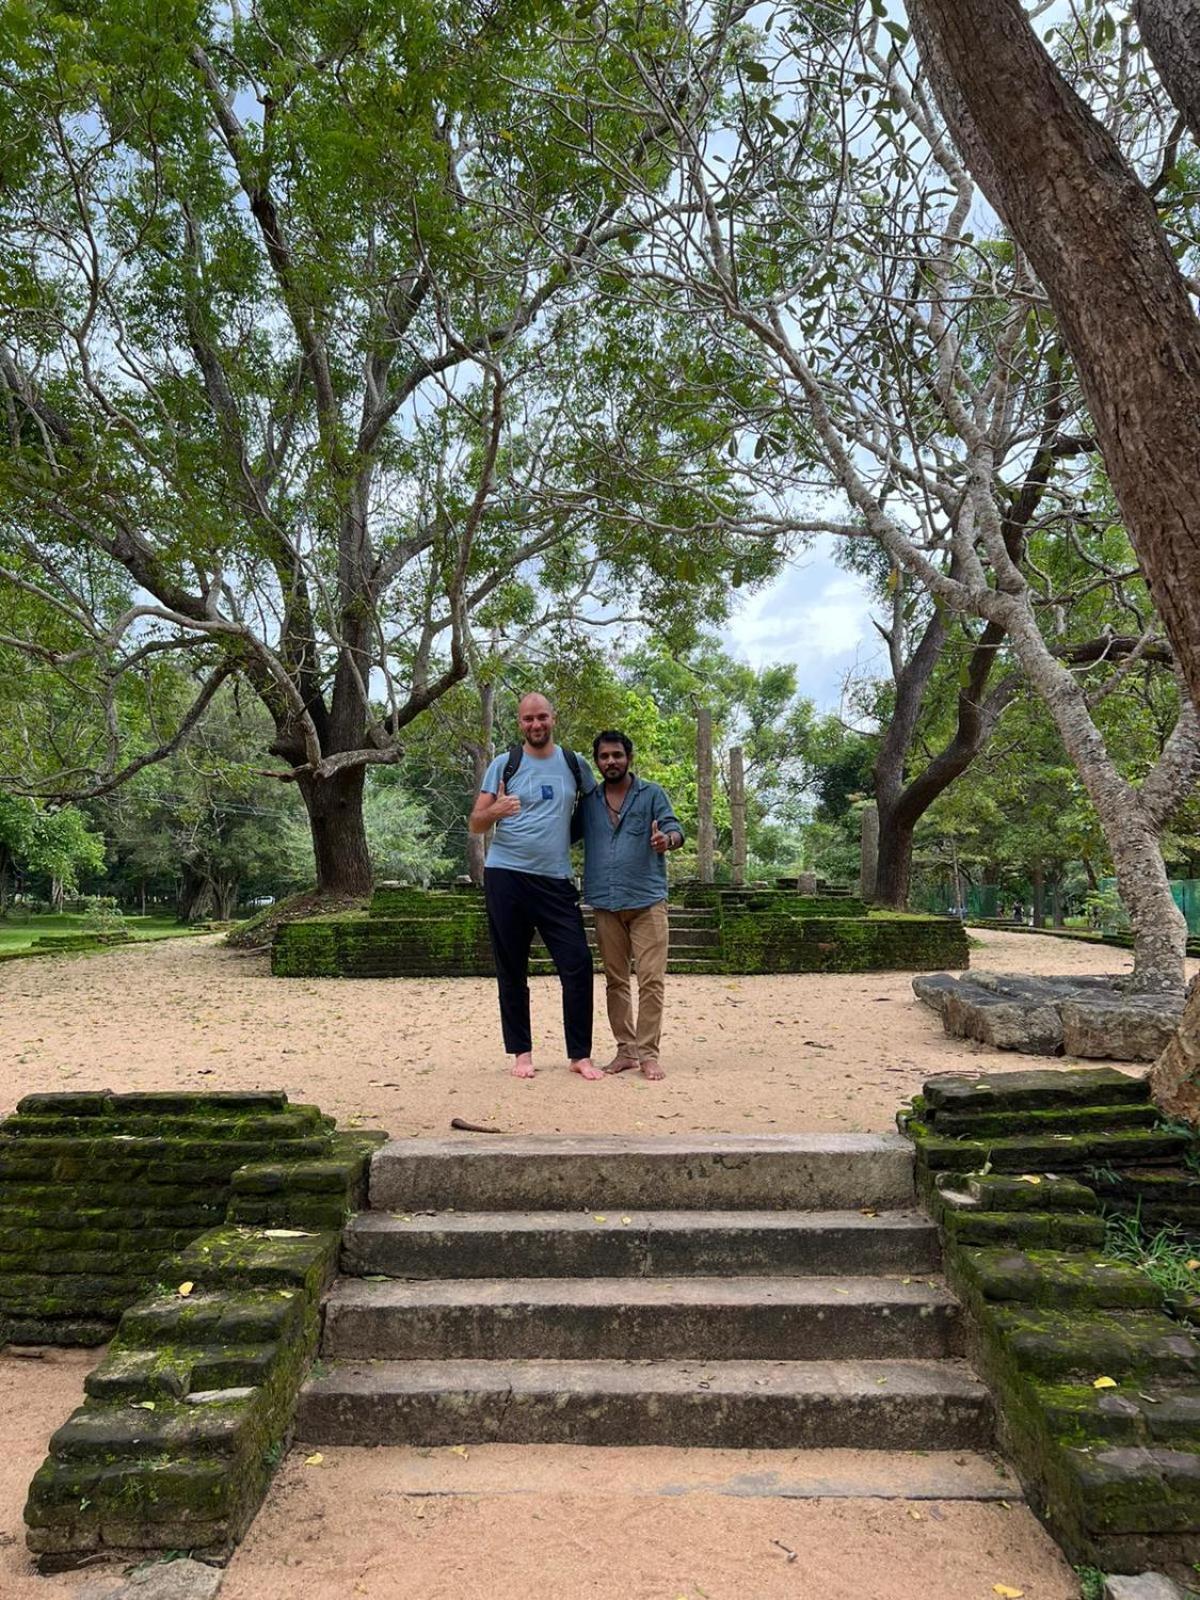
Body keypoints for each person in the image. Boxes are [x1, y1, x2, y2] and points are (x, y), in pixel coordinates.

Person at [468, 692, 602, 1081]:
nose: (535, 725)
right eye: (528, 719)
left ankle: (580, 1054)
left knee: (577, 962)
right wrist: (497, 810)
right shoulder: (504, 765)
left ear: (553, 719)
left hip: (556, 878)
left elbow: (598, 809)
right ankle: (521, 1053)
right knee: (511, 967)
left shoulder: (574, 765)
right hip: (506, 876)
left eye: (541, 717)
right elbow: (476, 822)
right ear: (519, 723)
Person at [579, 729, 684, 1081]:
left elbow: (675, 829)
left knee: (651, 980)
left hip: (647, 902)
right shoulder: (590, 800)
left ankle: (648, 1054)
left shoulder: (651, 794)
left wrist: (665, 840)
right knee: (615, 980)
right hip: (606, 902)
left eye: (617, 755)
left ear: (629, 758)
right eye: (605, 756)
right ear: (597, 761)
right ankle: (626, 1050)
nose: (611, 762)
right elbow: (563, 832)